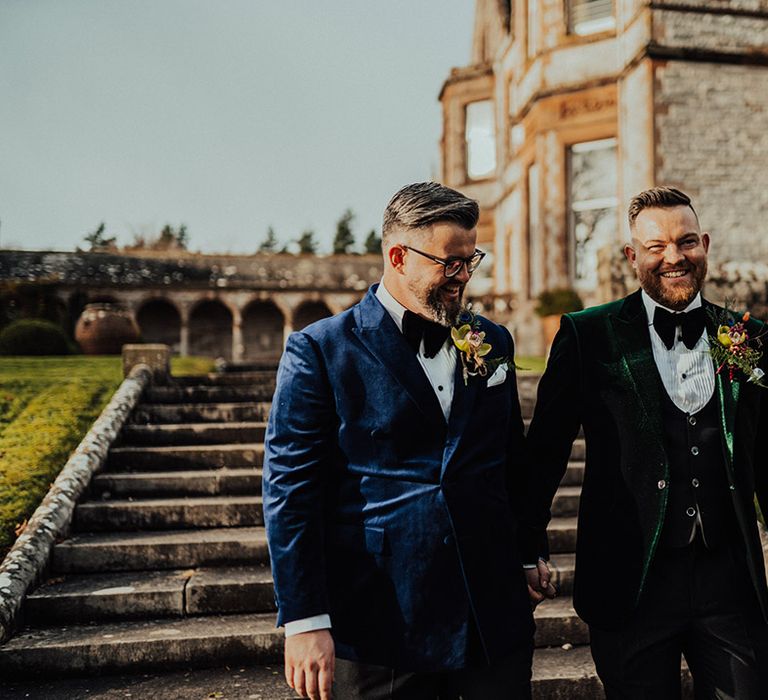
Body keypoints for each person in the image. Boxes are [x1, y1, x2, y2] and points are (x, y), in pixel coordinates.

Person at [263, 182, 543, 700]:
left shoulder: (493, 340)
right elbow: (290, 492)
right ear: (398, 256)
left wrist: (529, 552)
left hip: (493, 616)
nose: (463, 277)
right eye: (449, 263)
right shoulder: (320, 351)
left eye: (470, 260)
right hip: (381, 623)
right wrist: (303, 617)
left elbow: (509, 458)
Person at [522, 186, 768, 698]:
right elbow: (543, 456)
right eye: (656, 246)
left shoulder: (749, 336)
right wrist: (527, 549)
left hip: (729, 583)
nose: (673, 257)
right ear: (633, 256)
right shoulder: (587, 335)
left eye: (685, 242)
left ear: (705, 244)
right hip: (629, 583)